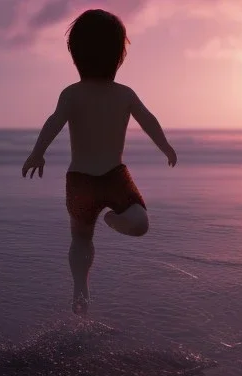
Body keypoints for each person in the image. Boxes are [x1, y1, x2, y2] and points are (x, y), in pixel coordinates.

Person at [22, 9, 177, 316]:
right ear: (119, 55)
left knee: (120, 228)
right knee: (84, 237)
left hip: (96, 179)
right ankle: (81, 288)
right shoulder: (82, 94)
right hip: (94, 180)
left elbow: (147, 120)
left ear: (75, 53)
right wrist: (37, 151)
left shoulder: (107, 94)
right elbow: (54, 122)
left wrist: (165, 145)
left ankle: (110, 224)